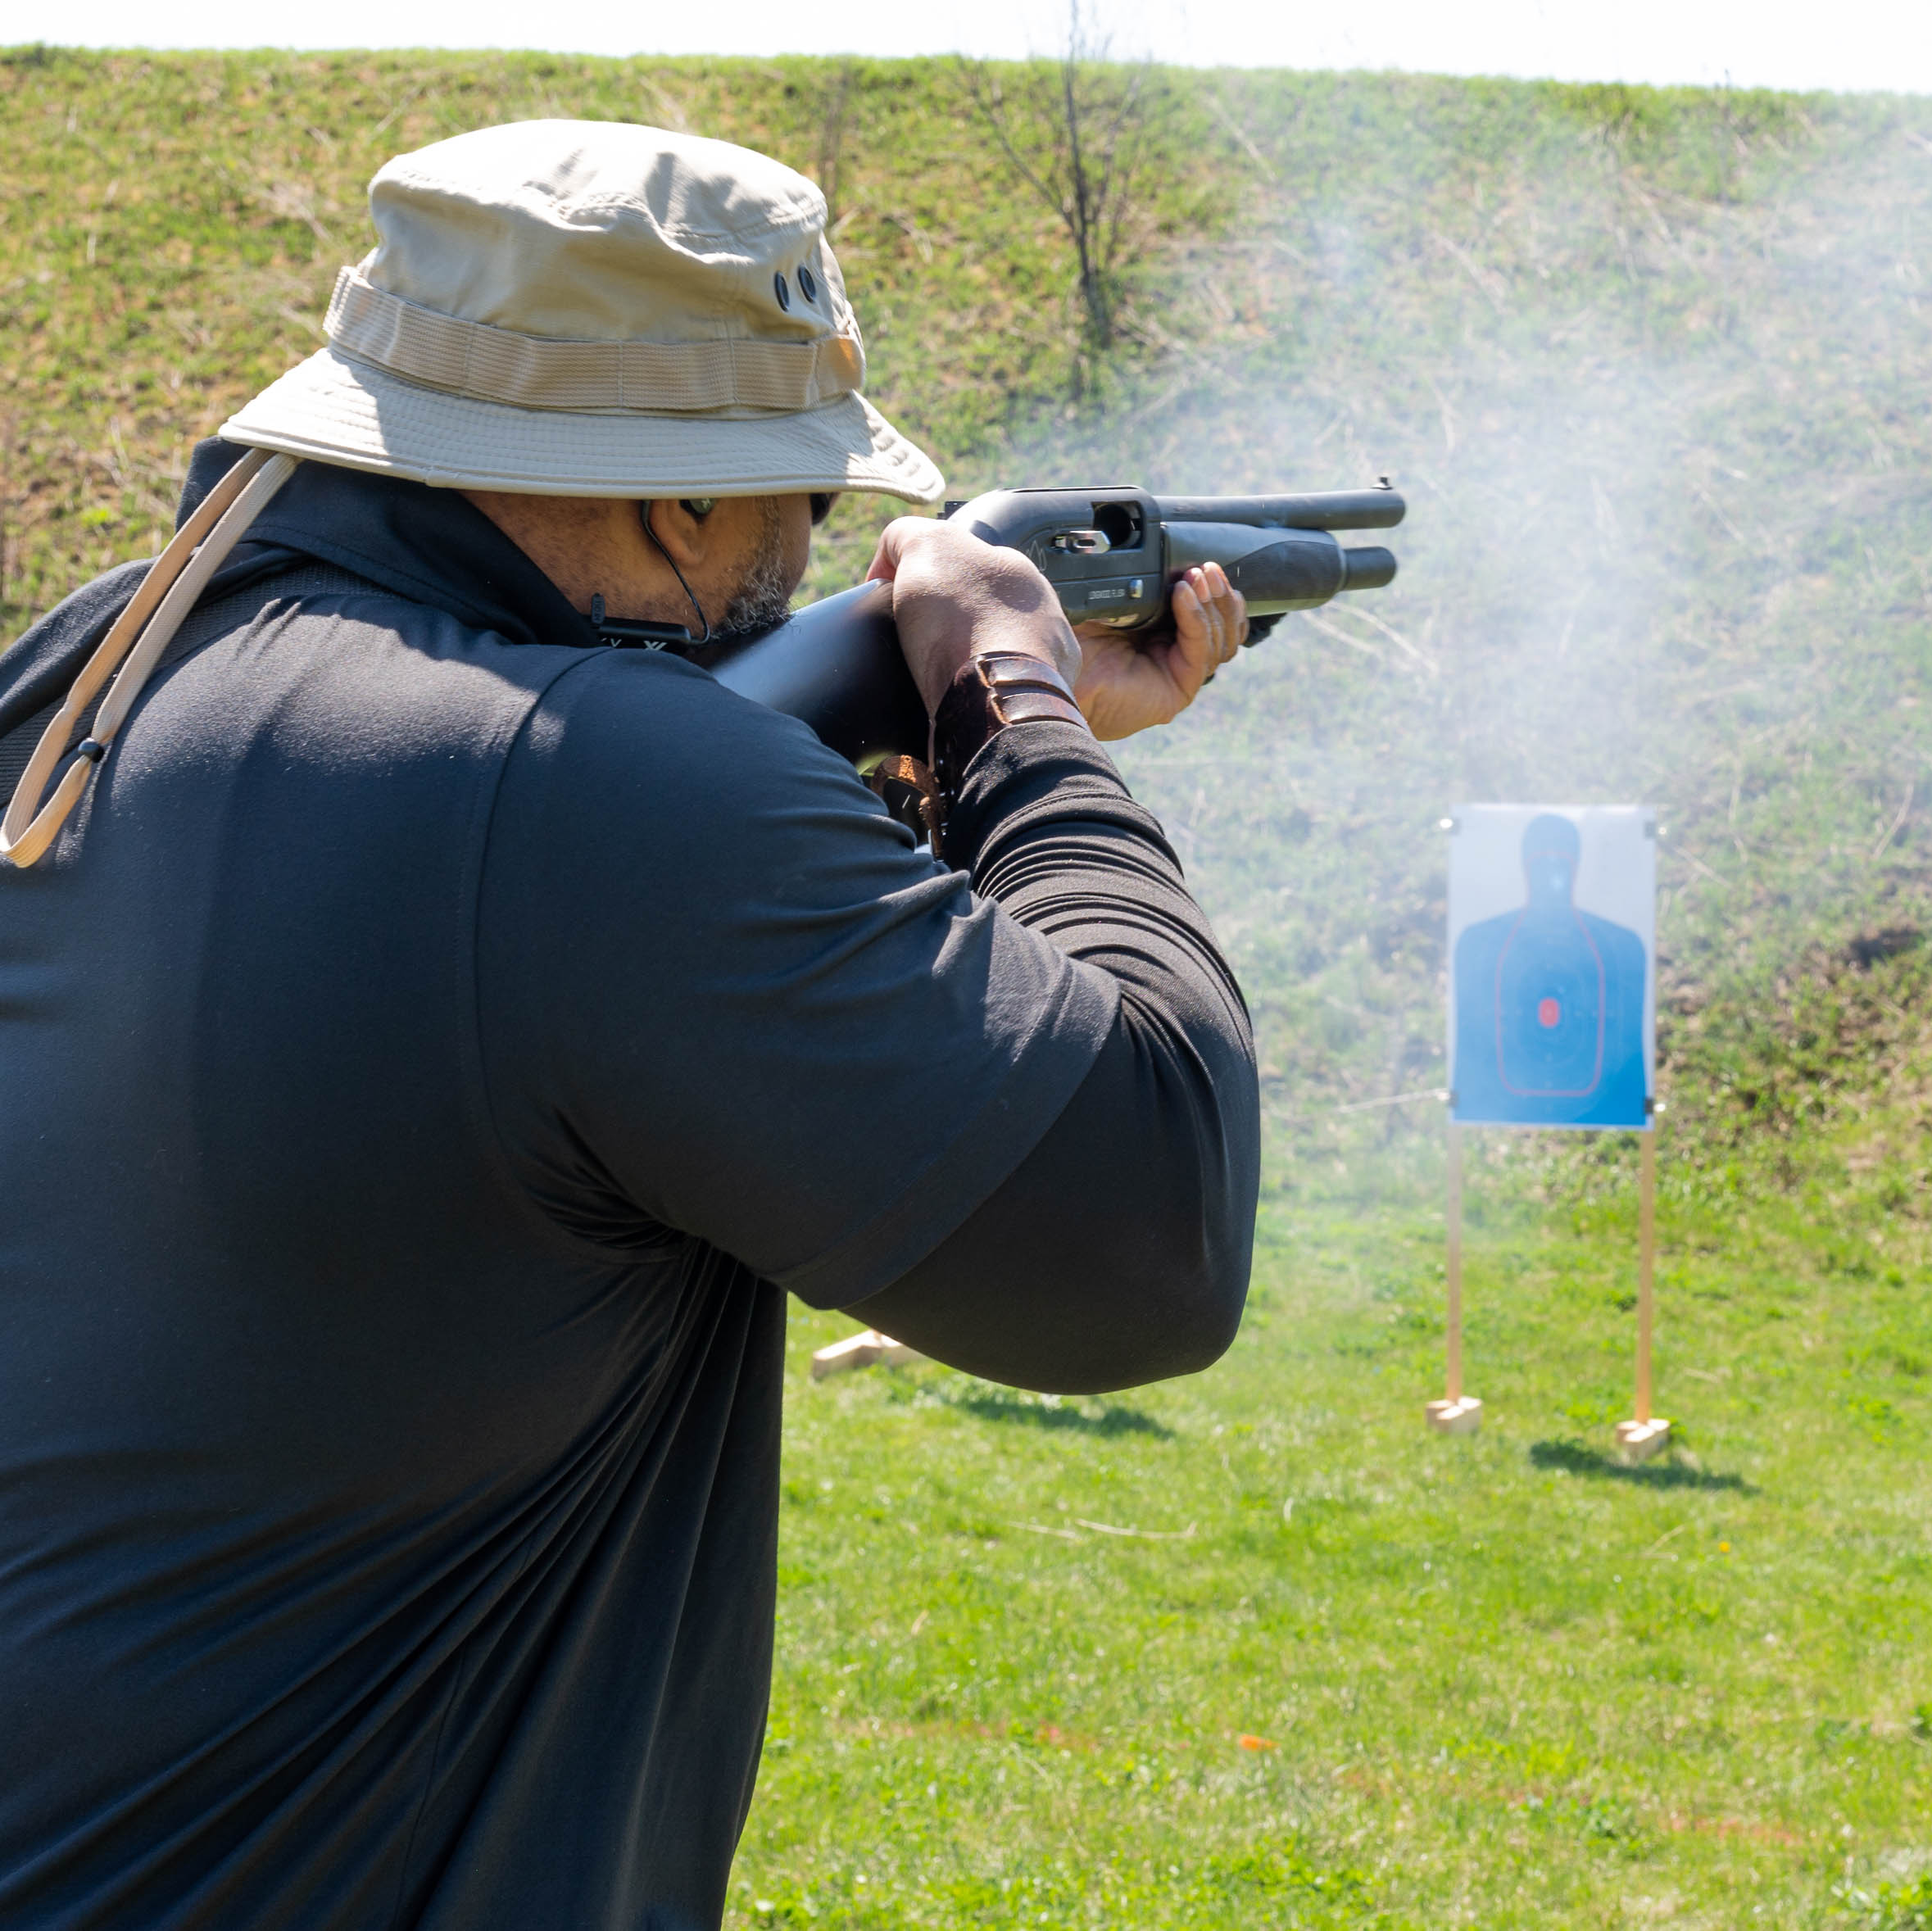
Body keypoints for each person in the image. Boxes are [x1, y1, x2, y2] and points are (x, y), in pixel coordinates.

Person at [0, 120, 1257, 1929]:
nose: (807, 549)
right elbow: (1154, 1222)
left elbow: (489, 1043)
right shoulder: (591, 788)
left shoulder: (92, 669)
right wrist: (1014, 708)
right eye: (800, 503)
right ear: (680, 505)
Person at [1449, 812, 1649, 1127]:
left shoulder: (1621, 947)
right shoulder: (1480, 944)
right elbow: (1473, 1059)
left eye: (1560, 862)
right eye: (1542, 862)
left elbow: (1627, 1070)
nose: (1551, 876)